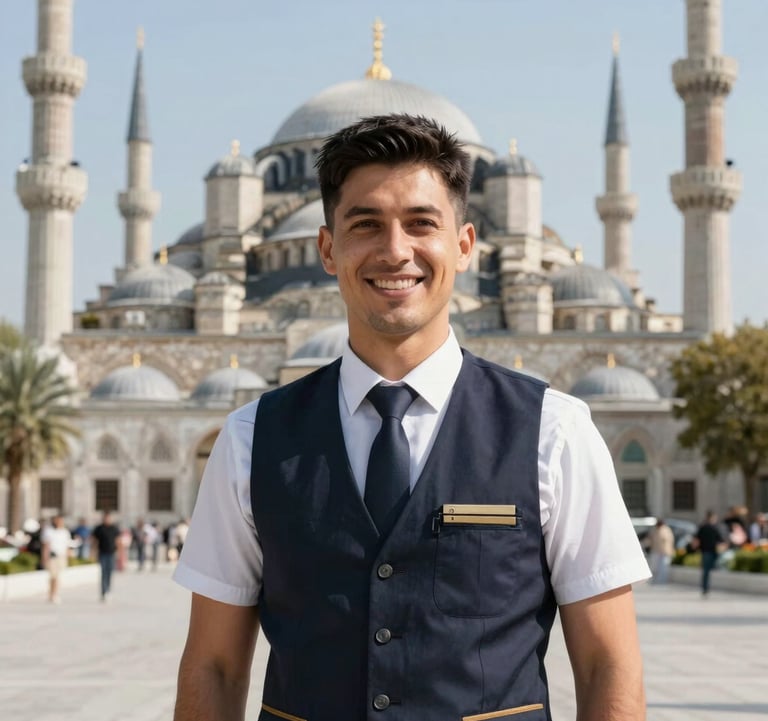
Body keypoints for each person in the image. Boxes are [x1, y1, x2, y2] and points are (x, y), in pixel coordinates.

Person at [173, 114, 651, 721]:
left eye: (421, 223)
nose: (395, 250)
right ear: (326, 248)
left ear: (465, 244)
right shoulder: (251, 438)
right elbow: (212, 665)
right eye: (365, 224)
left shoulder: (553, 432)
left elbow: (609, 663)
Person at [693, 510, 726, 596]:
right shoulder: (714, 527)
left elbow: (696, 540)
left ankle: (705, 588)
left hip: (706, 552)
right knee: (711, 569)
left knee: (706, 571)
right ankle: (706, 588)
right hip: (712, 552)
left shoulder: (703, 527)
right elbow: (721, 540)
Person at [41, 514, 71, 604]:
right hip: (52, 557)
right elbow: (46, 546)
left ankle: (54, 593)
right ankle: (52, 594)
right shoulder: (48, 531)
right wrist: (44, 558)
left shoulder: (65, 532)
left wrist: (68, 556)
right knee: (53, 576)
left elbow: (67, 546)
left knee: (57, 576)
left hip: (61, 557)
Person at [91, 511, 120, 602]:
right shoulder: (99, 529)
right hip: (102, 553)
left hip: (111, 553)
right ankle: (103, 592)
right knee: (103, 573)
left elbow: (118, 541)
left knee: (110, 573)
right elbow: (95, 541)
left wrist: (119, 553)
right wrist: (93, 553)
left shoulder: (114, 528)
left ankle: (108, 590)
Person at [647, 518, 675, 585]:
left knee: (663, 567)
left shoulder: (665, 530)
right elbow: (651, 539)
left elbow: (667, 541)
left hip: (665, 552)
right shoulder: (655, 530)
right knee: (655, 567)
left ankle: (662, 581)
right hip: (656, 551)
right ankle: (656, 581)